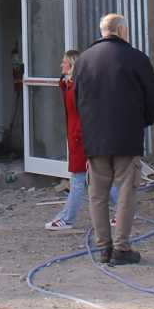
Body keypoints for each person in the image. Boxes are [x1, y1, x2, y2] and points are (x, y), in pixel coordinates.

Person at [71, 13, 154, 265]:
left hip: (94, 138)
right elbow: (150, 98)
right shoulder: (137, 58)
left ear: (103, 31)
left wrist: (89, 125)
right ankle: (122, 247)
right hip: (127, 137)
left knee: (97, 195)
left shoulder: (84, 60)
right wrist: (144, 122)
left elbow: (76, 99)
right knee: (125, 193)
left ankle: (104, 248)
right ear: (121, 30)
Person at [47, 49, 116, 230]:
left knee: (78, 180)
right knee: (100, 177)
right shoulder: (72, 86)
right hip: (81, 137)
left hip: (80, 138)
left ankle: (68, 219)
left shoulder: (76, 89)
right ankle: (123, 210)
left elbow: (82, 114)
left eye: (64, 62)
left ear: (71, 65)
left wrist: (78, 136)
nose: (61, 65)